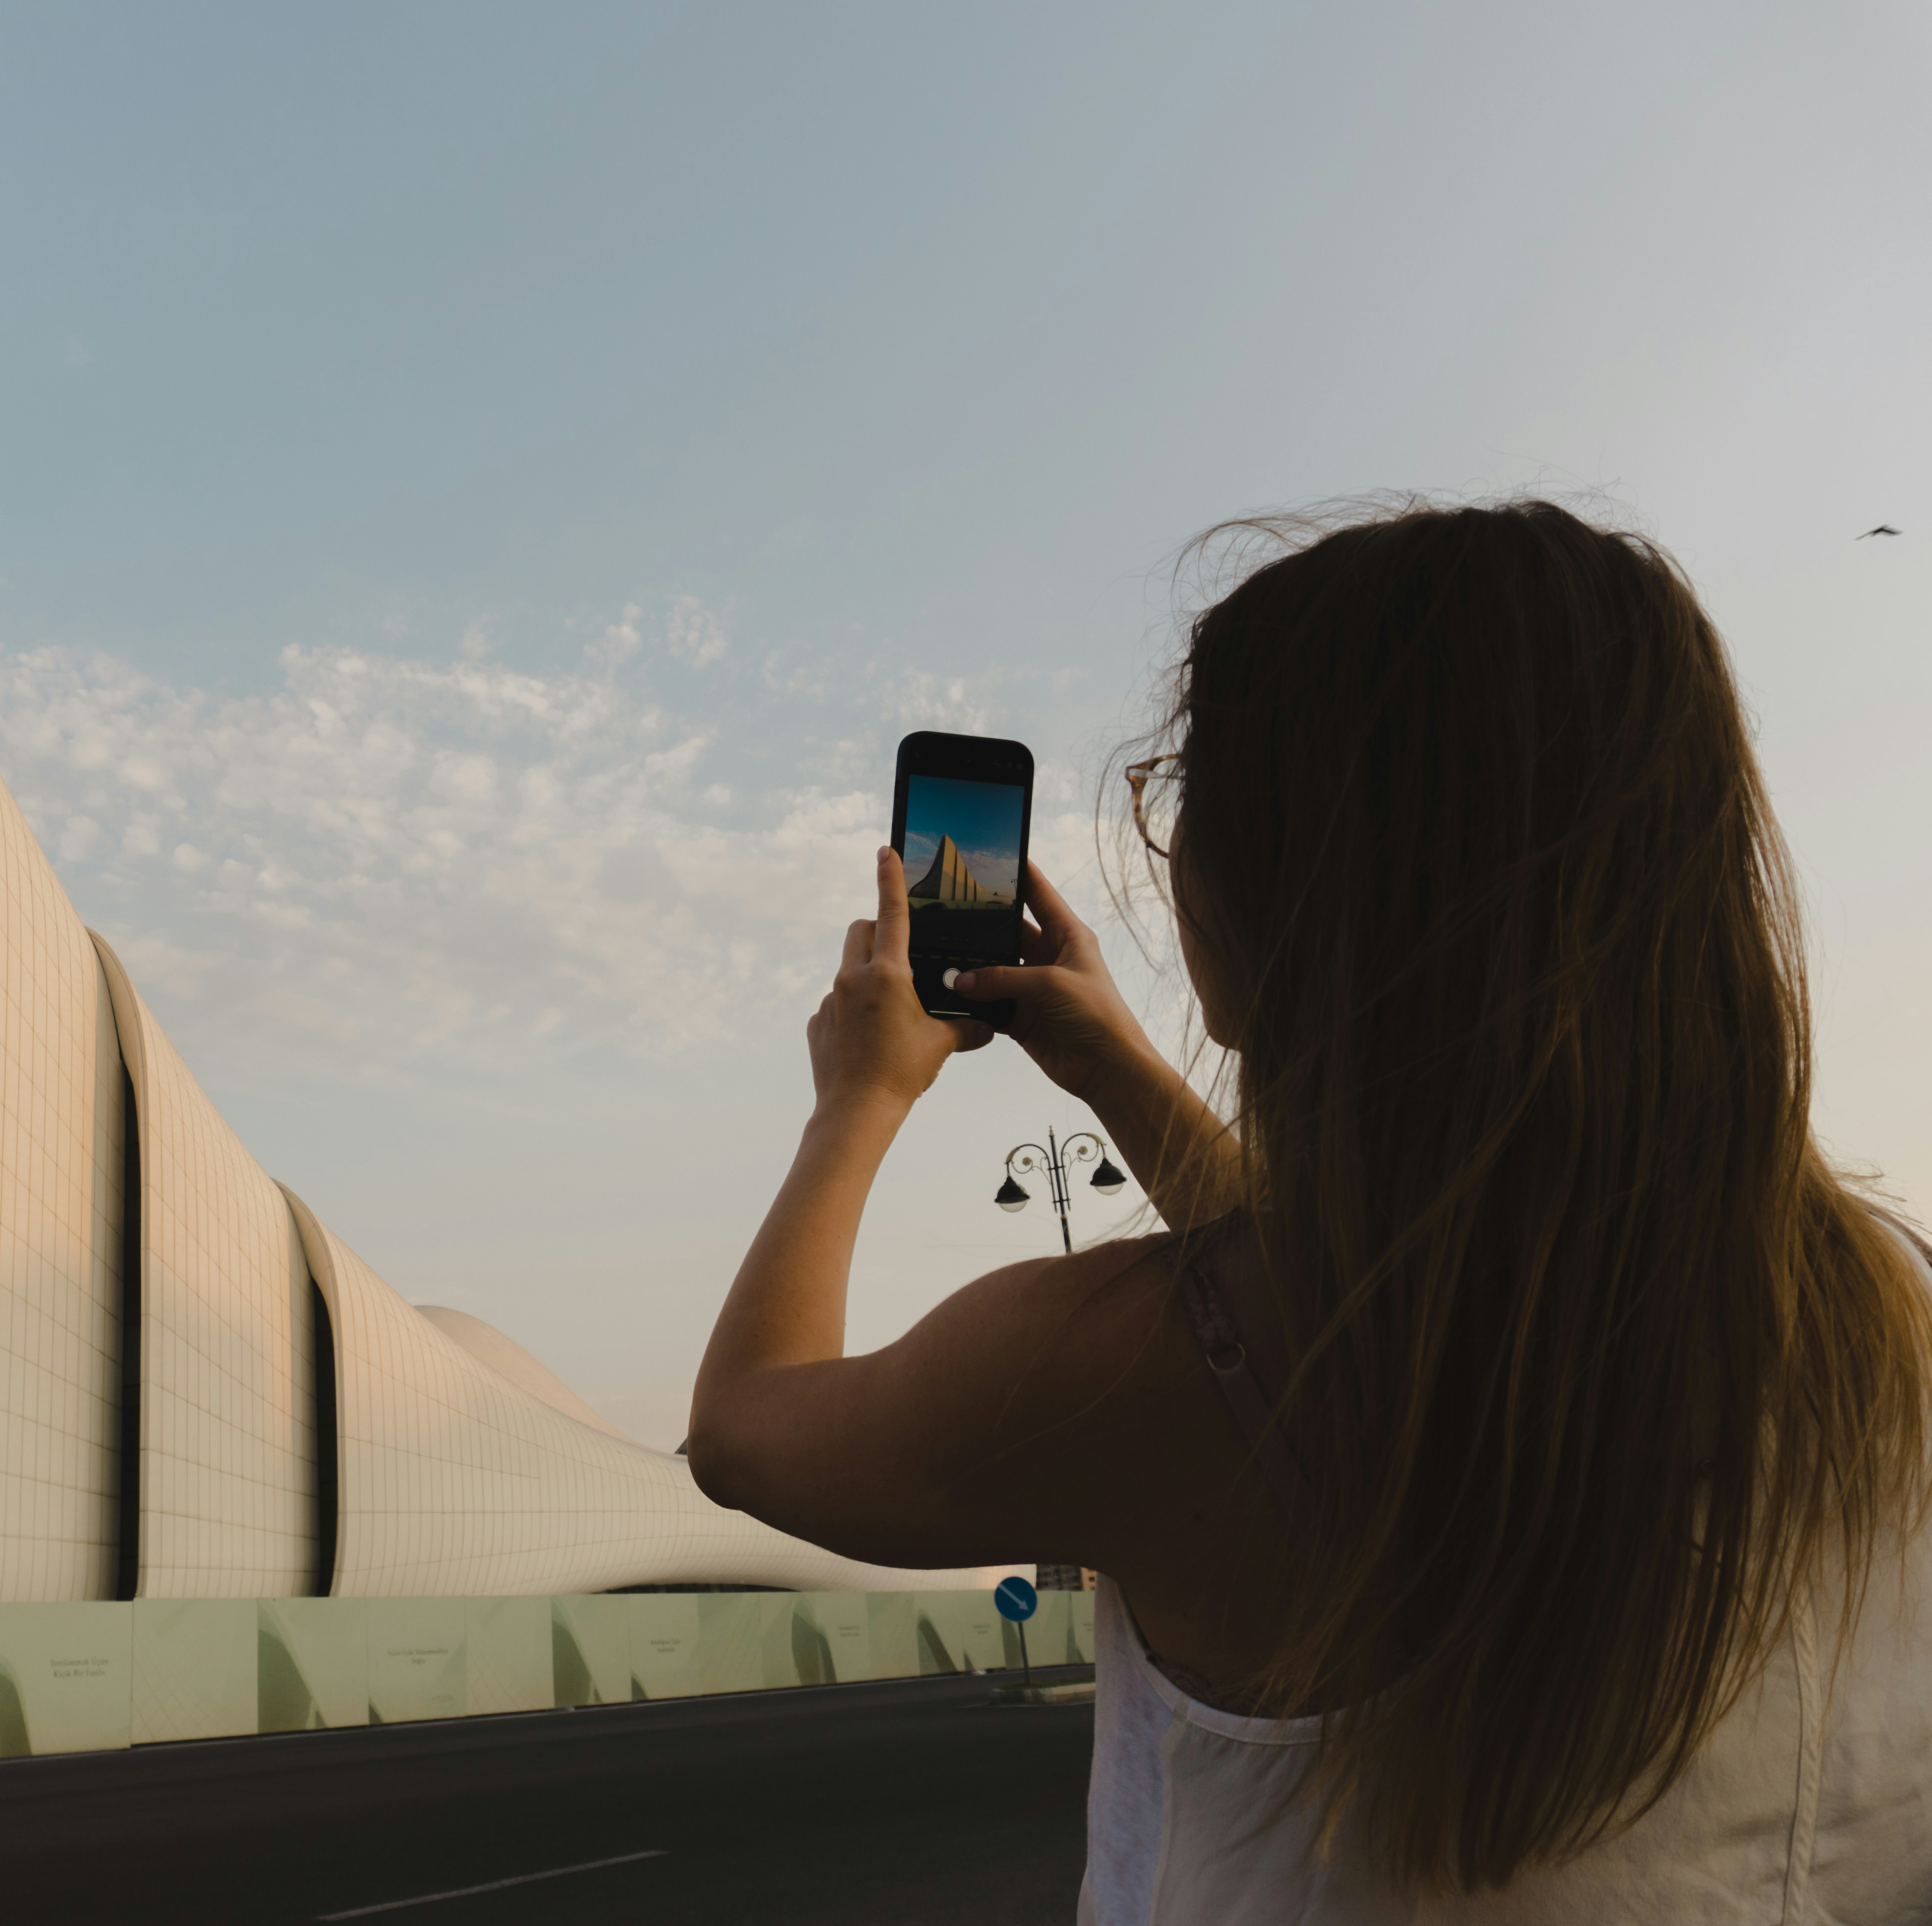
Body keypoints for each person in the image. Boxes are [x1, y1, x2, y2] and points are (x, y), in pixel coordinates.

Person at [686, 501, 1932, 1922]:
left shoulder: (1121, 1367)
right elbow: (1397, 1303)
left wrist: (856, 1099)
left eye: (1177, 804)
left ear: (1271, 901)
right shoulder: (1883, 1308)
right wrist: (1116, 1068)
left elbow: (747, 1427)